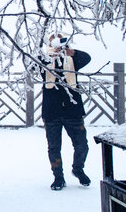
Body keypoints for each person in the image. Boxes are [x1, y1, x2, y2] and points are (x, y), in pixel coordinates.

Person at [40, 33, 91, 191]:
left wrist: (72, 52)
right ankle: (58, 176)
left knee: (82, 145)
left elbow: (87, 58)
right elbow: (32, 64)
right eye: (54, 41)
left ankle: (78, 169)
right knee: (54, 147)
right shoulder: (44, 59)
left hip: (73, 111)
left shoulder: (72, 59)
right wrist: (47, 55)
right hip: (52, 111)